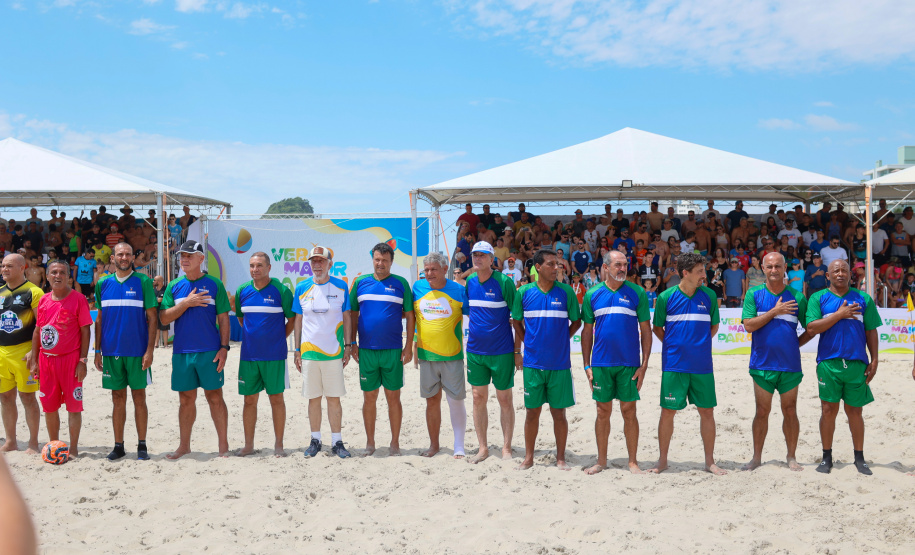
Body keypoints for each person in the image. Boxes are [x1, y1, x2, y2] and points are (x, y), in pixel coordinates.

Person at [649, 253, 726, 475]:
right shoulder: (665, 297)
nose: (705, 274)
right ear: (685, 273)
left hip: (702, 364)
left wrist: (697, 345)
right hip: (674, 364)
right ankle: (662, 460)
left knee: (707, 412)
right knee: (667, 412)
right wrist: (676, 345)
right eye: (700, 271)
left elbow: (714, 327)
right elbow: (658, 328)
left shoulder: (710, 296)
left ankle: (710, 461)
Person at [805, 260, 880, 475]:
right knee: (828, 411)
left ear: (850, 275)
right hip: (829, 363)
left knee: (855, 411)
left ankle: (859, 458)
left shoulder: (863, 298)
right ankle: (826, 457)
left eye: (844, 270)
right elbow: (811, 328)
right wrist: (839, 314)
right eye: (836, 271)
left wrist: (874, 360)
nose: (840, 274)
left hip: (857, 363)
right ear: (827, 276)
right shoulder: (818, 298)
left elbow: (871, 331)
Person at [581, 251, 652, 475]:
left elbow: (646, 331)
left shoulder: (637, 292)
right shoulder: (592, 294)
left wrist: (644, 364)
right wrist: (586, 365)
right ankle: (601, 461)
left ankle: (633, 461)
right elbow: (587, 332)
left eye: (625, 264)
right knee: (602, 411)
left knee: (629, 410)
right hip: (601, 363)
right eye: (617, 265)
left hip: (629, 363)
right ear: (605, 267)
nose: (622, 268)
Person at [159, 241, 232, 459]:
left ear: (201, 259)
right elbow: (164, 317)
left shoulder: (214, 284)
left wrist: (224, 348)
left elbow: (224, 319)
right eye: (182, 255)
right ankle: (184, 446)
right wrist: (186, 303)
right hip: (182, 351)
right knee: (185, 400)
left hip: (210, 350)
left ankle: (223, 446)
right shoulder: (174, 286)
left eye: (190, 255)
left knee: (215, 398)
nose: (184, 259)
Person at [741, 253, 811, 472]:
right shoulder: (753, 294)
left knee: (790, 410)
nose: (773, 270)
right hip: (762, 364)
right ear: (763, 268)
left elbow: (811, 329)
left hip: (789, 365)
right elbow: (749, 325)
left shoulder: (798, 297)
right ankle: (756, 458)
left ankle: (791, 456)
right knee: (762, 411)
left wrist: (793, 344)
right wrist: (774, 311)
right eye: (769, 266)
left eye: (777, 266)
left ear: (785, 267)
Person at [513, 249, 582, 470]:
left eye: (558, 264)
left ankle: (560, 458)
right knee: (532, 412)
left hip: (560, 364)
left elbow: (577, 322)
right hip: (533, 364)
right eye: (551, 264)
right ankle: (529, 457)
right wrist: (525, 345)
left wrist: (562, 339)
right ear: (538, 268)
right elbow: (516, 322)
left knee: (558, 413)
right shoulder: (523, 292)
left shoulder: (566, 292)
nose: (557, 268)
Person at [92, 243, 158, 461]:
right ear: (113, 257)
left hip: (137, 352)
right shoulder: (103, 283)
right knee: (117, 398)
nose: (124, 257)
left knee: (139, 397)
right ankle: (118, 445)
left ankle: (142, 445)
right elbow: (99, 320)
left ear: (133, 257)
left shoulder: (144, 281)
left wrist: (150, 350)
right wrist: (97, 351)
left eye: (128, 254)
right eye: (120, 254)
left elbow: (152, 318)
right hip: (111, 352)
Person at [349, 243, 414, 457]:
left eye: (385, 260)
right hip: (366, 351)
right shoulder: (360, 283)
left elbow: (410, 317)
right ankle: (370, 443)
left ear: (391, 262)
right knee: (369, 398)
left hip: (393, 350)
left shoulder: (401, 283)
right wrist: (352, 343)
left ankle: (394, 443)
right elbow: (352, 316)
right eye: (377, 259)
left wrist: (408, 346)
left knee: (393, 398)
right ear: (373, 259)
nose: (381, 264)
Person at [292, 246, 354, 459]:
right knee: (313, 398)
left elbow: (347, 317)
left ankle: (337, 441)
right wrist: (297, 349)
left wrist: (348, 346)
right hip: (309, 354)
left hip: (334, 353)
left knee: (334, 398)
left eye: (321, 261)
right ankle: (315, 439)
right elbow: (298, 321)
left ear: (330, 264)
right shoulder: (301, 287)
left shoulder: (341, 286)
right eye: (313, 261)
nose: (317, 265)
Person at [28, 260, 92, 458]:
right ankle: (54, 446)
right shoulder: (44, 300)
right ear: (47, 277)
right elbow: (38, 331)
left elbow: (85, 331)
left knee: (74, 407)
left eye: (62, 272)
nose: (58, 276)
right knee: (49, 407)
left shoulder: (78, 299)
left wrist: (83, 361)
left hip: (71, 361)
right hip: (47, 362)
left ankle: (73, 449)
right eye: (53, 272)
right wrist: (35, 360)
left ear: (68, 277)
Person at [235, 252, 295, 457]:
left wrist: (278, 338)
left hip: (274, 356)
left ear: (269, 267)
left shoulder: (281, 291)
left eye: (259, 265)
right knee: (249, 401)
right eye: (252, 265)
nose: (255, 269)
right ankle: (249, 445)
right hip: (249, 356)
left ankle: (279, 445)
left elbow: (293, 320)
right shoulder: (242, 290)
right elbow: (242, 320)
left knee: (276, 398)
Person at [464, 241, 517, 463]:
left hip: (502, 350)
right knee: (478, 398)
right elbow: (468, 311)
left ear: (492, 258)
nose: (478, 259)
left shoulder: (504, 282)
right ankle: (483, 447)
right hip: (475, 351)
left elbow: (516, 318)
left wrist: (517, 351)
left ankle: (506, 447)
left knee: (504, 398)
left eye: (483, 255)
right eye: (475, 255)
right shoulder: (469, 281)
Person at [413, 252, 468, 459]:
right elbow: (411, 317)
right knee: (432, 401)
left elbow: (476, 315)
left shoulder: (459, 291)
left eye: (433, 269)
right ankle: (434, 445)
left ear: (445, 269)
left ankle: (459, 446)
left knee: (455, 401)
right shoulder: (417, 288)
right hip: (426, 356)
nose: (429, 273)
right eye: (426, 270)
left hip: (452, 355)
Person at [0, 254, 43, 454]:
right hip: (2, 353)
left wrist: (34, 352)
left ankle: (33, 442)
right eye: (2, 266)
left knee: (28, 398)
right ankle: (11, 441)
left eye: (9, 266)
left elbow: (42, 326)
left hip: (24, 353)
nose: (4, 269)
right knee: (6, 397)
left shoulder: (34, 292)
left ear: (22, 267)